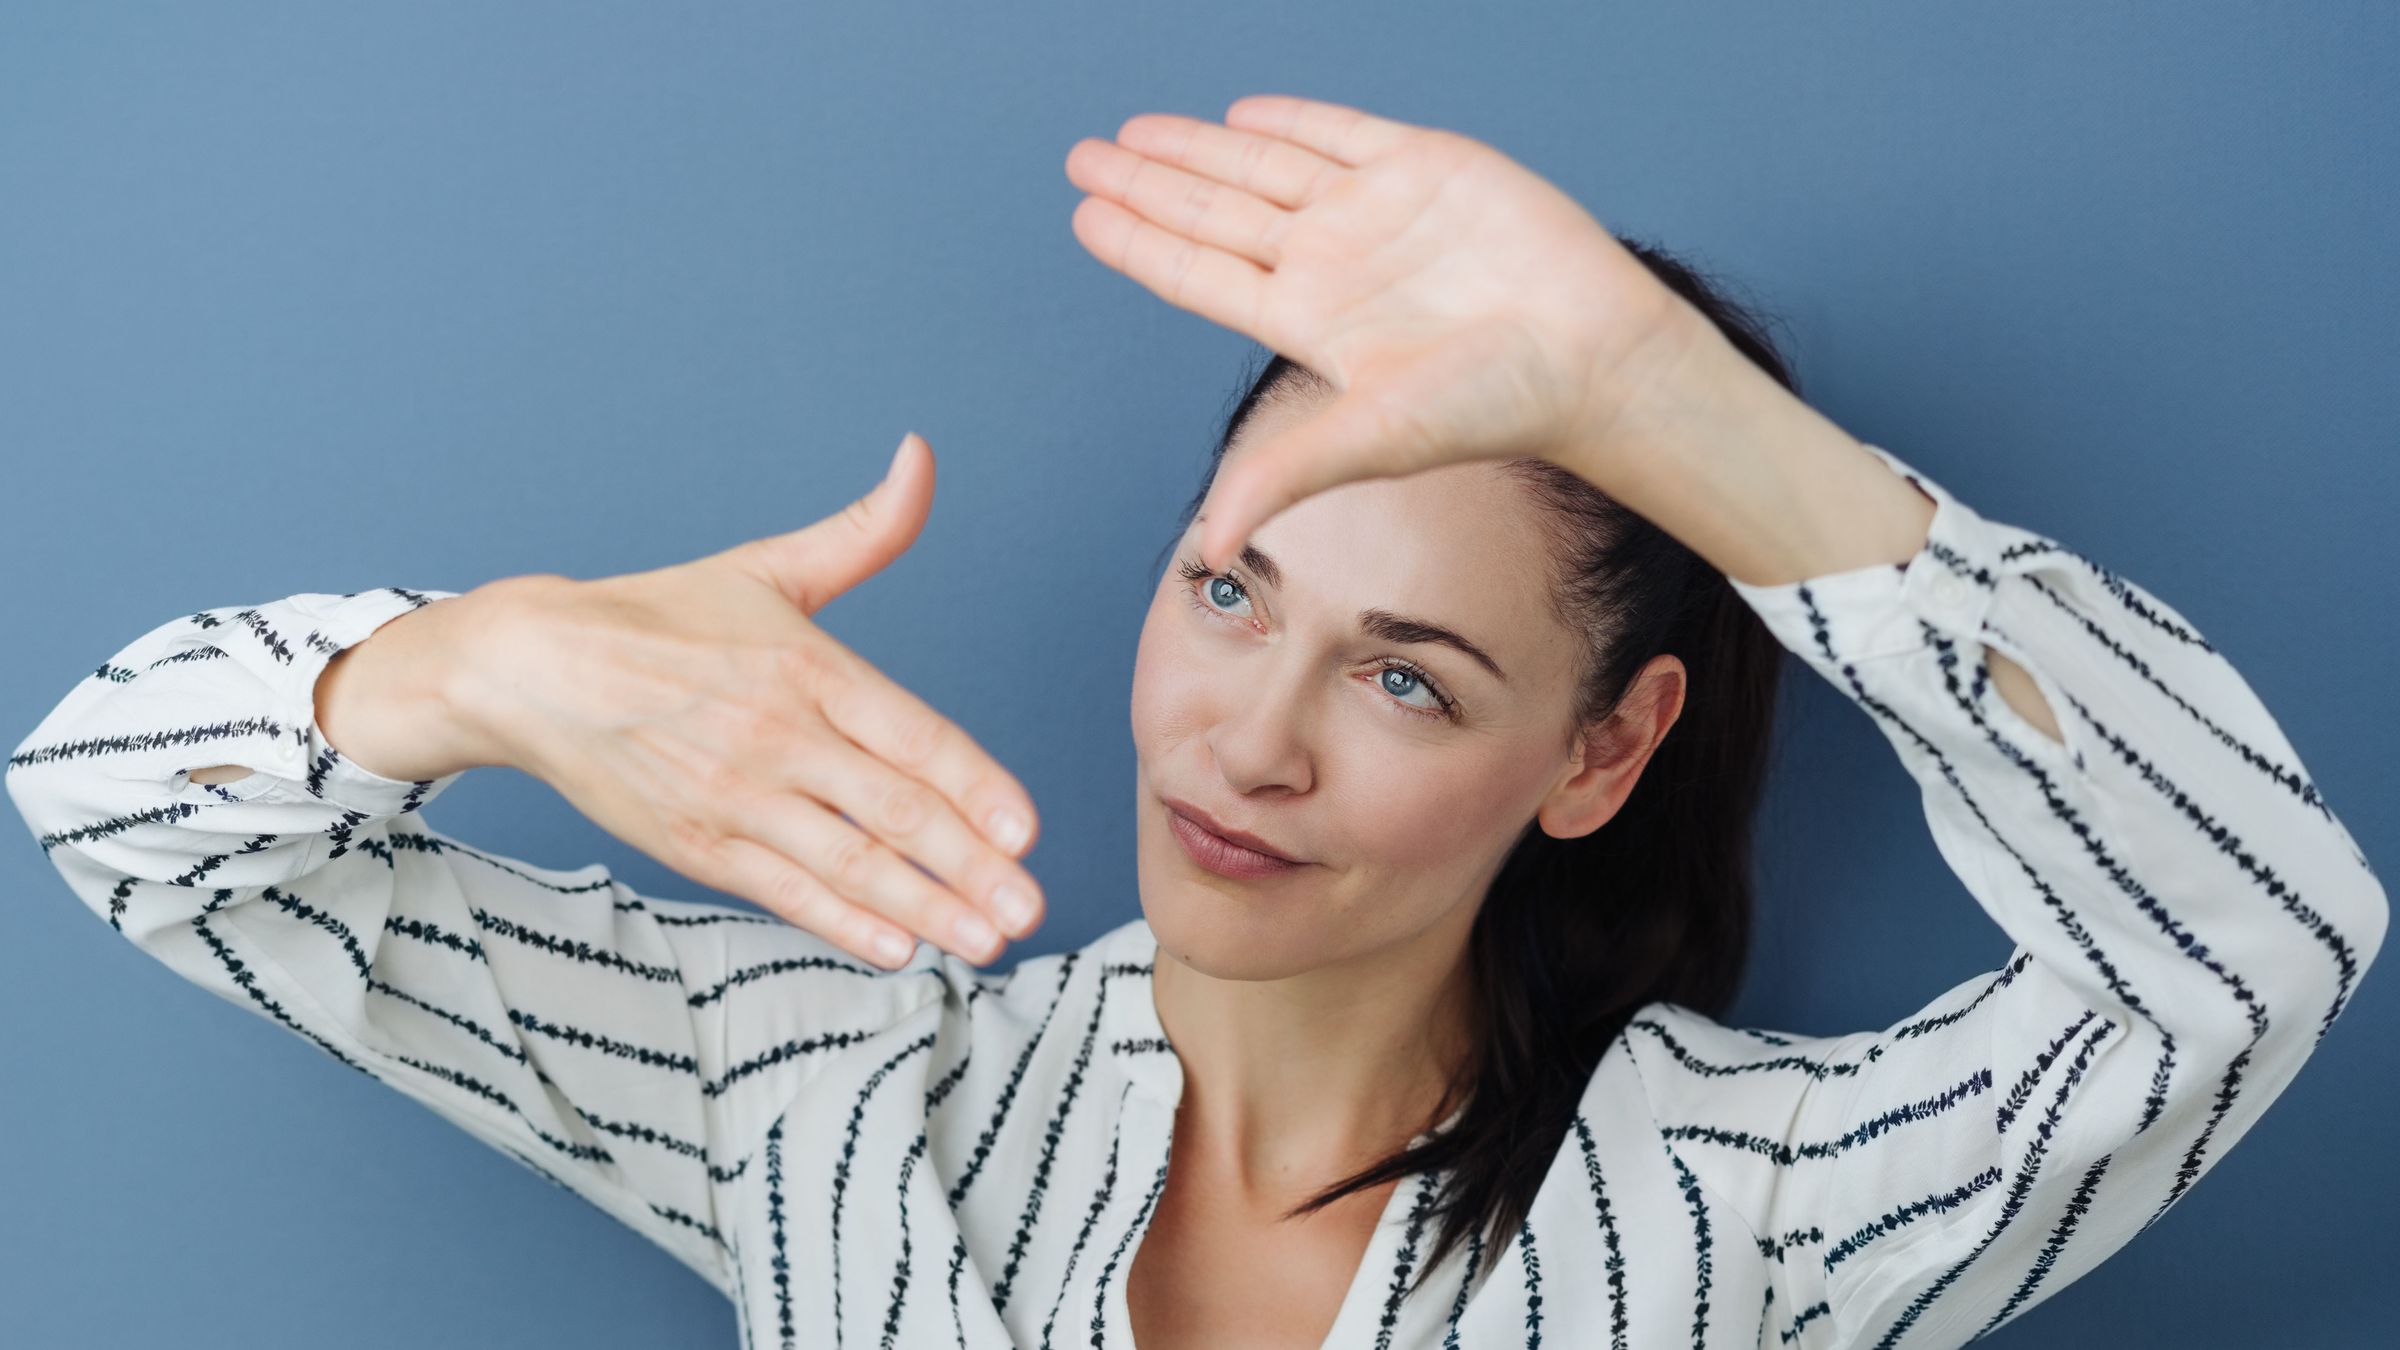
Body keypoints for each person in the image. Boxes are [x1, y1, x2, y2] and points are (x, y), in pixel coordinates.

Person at [6, 94, 2385, 1350]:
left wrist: (1694, 429)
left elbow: (2252, 950)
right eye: (1231, 590)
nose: (1245, 745)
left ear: (1602, 750)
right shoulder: (821, 1085)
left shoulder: (1739, 1208)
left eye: (1405, 673)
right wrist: (481, 670)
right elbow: (113, 806)